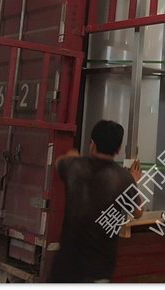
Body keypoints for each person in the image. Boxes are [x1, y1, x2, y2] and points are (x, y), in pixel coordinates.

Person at [48, 120, 143, 283]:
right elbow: (137, 212)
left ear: (92, 144)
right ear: (118, 149)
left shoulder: (74, 167)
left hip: (65, 268)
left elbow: (58, 163)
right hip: (98, 271)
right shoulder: (123, 178)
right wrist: (133, 181)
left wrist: (72, 156)